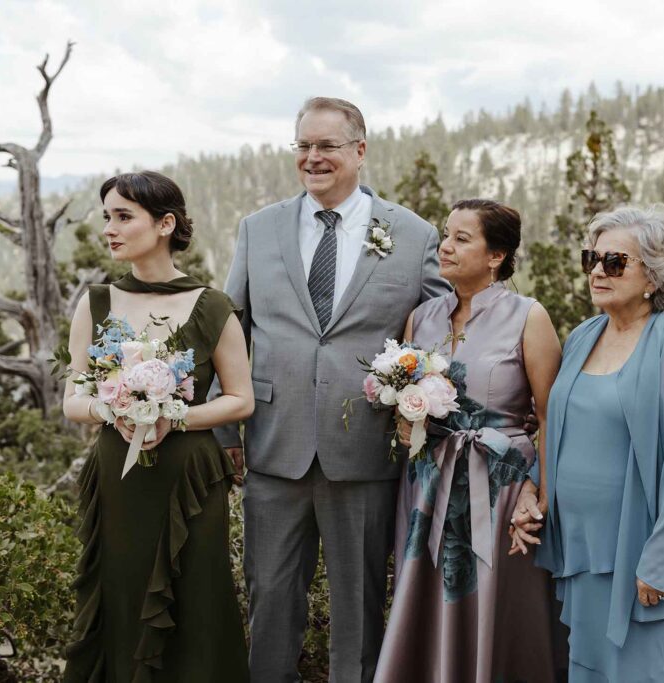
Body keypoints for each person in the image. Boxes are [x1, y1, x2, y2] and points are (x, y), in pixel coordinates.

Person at [213, 97, 451, 682]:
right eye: (304, 146)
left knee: (360, 608)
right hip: (271, 443)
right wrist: (223, 429)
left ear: (360, 151)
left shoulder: (412, 234)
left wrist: (425, 415)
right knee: (268, 600)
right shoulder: (258, 228)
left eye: (327, 146)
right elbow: (229, 333)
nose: (313, 158)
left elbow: (444, 333)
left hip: (364, 448)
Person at [62, 171, 252, 682]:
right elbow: (73, 401)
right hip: (119, 478)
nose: (110, 229)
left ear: (165, 223)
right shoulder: (95, 302)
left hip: (188, 478)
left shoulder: (212, 306)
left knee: (197, 598)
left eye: (124, 216)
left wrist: (173, 416)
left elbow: (241, 400)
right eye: (107, 217)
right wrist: (117, 410)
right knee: (120, 591)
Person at [511, 205, 664, 682]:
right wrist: (532, 491)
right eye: (592, 259)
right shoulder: (584, 336)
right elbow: (559, 430)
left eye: (615, 262)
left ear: (652, 276)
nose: (598, 271)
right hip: (582, 556)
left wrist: (662, 565)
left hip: (638, 562)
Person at [374, 199, 569, 683]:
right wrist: (404, 422)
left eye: (462, 238)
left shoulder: (529, 317)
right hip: (427, 485)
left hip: (502, 488)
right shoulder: (422, 318)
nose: (445, 245)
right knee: (424, 597)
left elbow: (552, 417)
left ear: (496, 255)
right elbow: (405, 400)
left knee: (495, 604)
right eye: (446, 234)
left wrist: (537, 493)